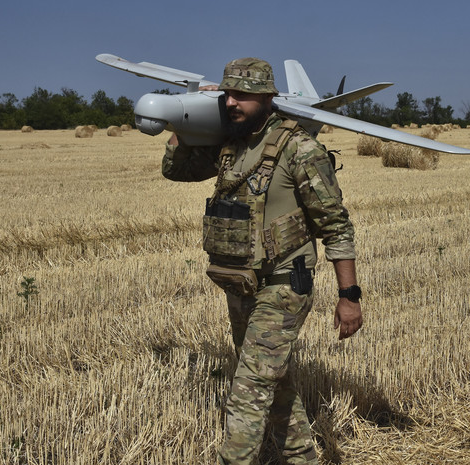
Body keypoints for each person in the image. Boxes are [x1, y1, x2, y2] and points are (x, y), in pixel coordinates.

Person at [161, 57, 363, 464]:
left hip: (287, 284)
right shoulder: (230, 144)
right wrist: (182, 125)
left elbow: (336, 226)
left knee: (247, 393)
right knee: (275, 384)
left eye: (243, 95)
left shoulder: (300, 149)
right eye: (227, 93)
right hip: (241, 282)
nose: (231, 102)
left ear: (268, 98)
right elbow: (176, 171)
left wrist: (349, 295)